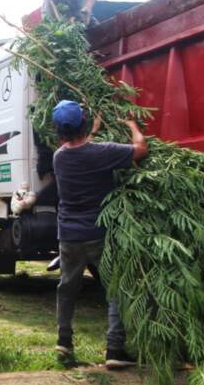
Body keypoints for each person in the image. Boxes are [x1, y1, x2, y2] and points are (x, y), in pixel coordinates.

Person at [50, 100, 147, 369]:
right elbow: (141, 149)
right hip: (98, 233)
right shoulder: (103, 152)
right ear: (84, 124)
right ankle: (114, 348)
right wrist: (131, 124)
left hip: (68, 235)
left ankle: (64, 341)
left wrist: (92, 131)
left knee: (67, 288)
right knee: (115, 289)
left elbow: (80, 150)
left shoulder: (59, 157)